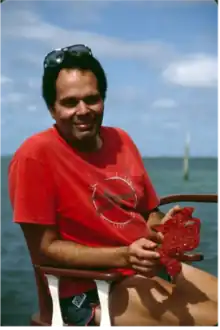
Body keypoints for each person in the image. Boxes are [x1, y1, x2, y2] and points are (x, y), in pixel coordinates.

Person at [8, 44, 220, 328]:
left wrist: (162, 229)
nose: (83, 111)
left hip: (147, 268)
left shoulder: (122, 140)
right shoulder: (34, 155)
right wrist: (125, 255)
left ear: (103, 99)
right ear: (51, 108)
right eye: (70, 103)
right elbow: (46, 249)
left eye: (92, 99)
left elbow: (149, 213)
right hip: (90, 290)